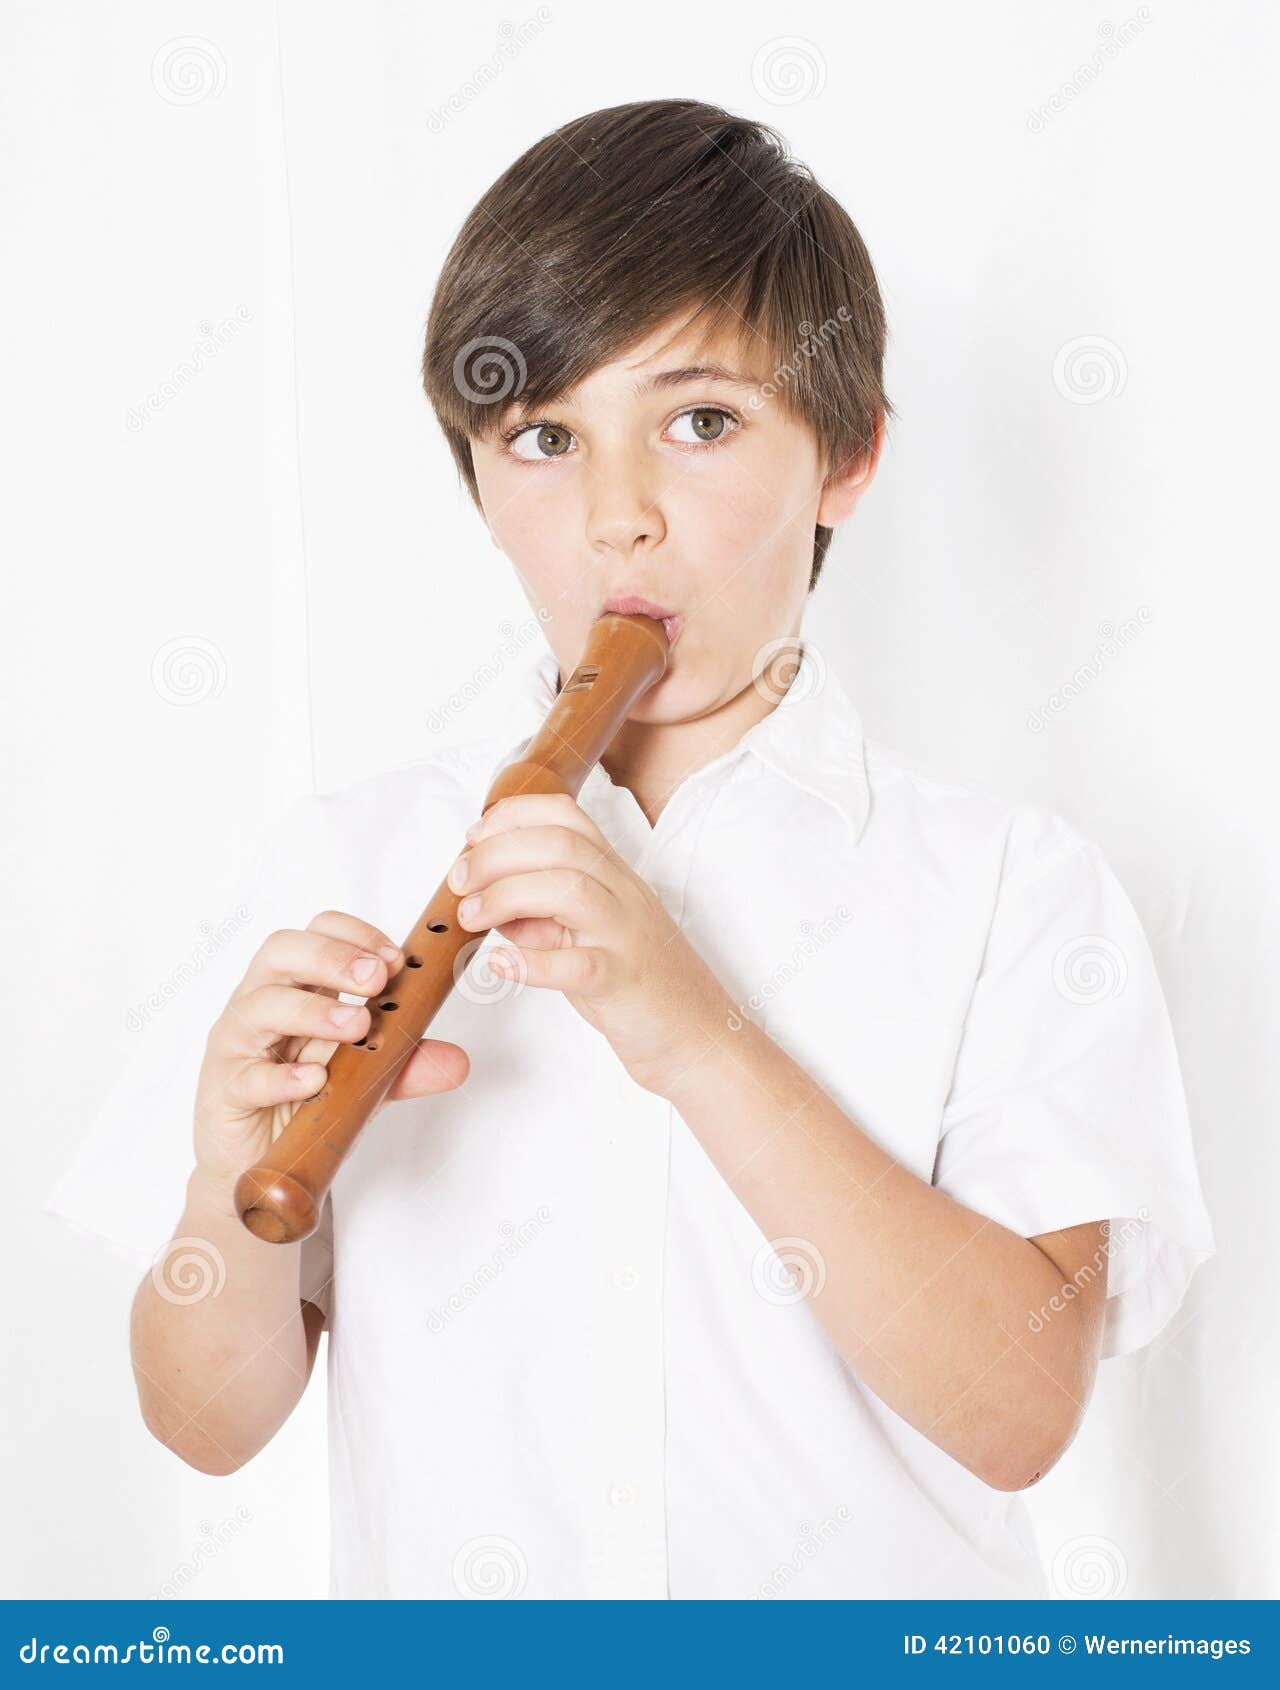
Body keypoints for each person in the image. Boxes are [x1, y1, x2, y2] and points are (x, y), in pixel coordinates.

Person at [45, 98, 1215, 1600]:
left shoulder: (1012, 891)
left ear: (847, 455)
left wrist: (693, 1032)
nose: (618, 520)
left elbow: (1020, 1415)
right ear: (479, 485)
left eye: (700, 421)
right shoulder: (355, 856)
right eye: (544, 438)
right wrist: (228, 1184)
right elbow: (204, 1426)